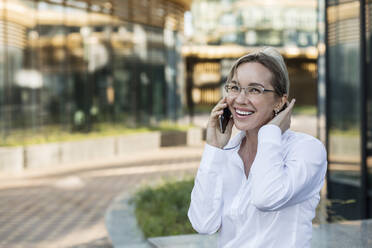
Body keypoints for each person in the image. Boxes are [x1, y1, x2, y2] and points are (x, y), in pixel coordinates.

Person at [188, 47, 327, 248]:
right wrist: (213, 148)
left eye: (254, 89)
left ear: (280, 101)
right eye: (234, 87)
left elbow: (266, 198)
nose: (240, 99)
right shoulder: (227, 153)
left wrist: (270, 133)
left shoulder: (307, 150)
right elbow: (203, 223)